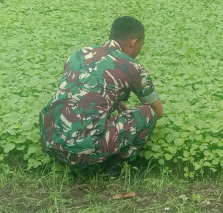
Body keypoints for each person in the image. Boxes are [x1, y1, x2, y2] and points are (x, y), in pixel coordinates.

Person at [40, 16, 164, 174]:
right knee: (149, 112)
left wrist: (114, 100)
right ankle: (113, 166)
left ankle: (70, 157)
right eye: (142, 44)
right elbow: (158, 111)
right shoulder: (131, 66)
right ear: (133, 42)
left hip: (49, 142)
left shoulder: (79, 53)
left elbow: (79, 88)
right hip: (81, 154)